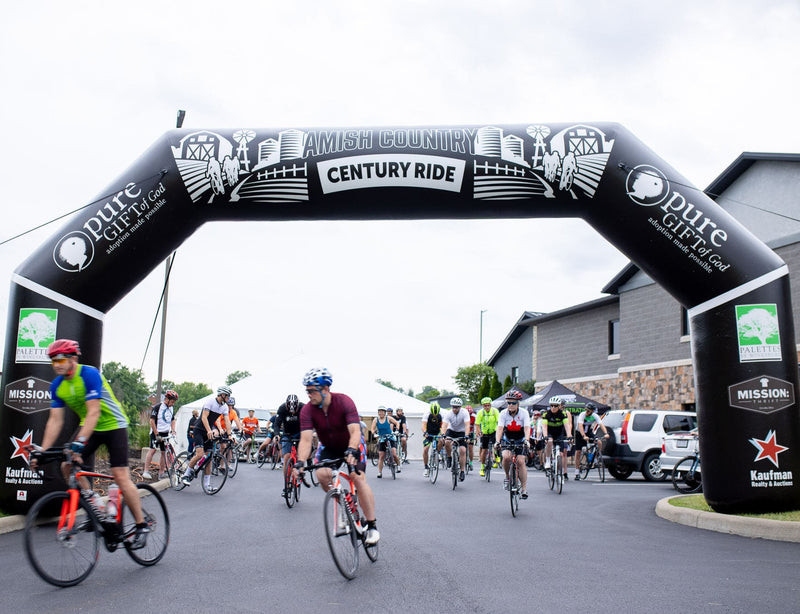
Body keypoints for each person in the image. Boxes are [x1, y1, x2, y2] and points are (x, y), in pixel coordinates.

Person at [32, 339, 149, 549]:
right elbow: (55, 420)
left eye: (60, 359)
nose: (56, 364)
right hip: (91, 426)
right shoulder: (58, 385)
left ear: (73, 358)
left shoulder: (89, 374)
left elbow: (94, 412)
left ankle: (142, 525)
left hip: (114, 425)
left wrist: (79, 443)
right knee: (67, 466)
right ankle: (95, 507)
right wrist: (43, 450)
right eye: (53, 361)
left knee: (120, 476)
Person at [294, 368, 379, 545]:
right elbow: (306, 440)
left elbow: (356, 430)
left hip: (351, 443)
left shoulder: (344, 401)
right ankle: (346, 502)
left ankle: (371, 525)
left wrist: (351, 449)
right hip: (329, 446)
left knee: (357, 477)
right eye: (306, 391)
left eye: (311, 390)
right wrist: (300, 462)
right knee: (322, 475)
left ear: (325, 389)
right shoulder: (307, 410)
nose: (308, 394)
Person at [182, 386, 232, 488]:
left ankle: (207, 485)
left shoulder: (224, 407)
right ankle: (186, 475)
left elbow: (227, 421)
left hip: (208, 432)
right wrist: (209, 430)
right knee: (200, 454)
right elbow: (204, 417)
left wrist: (230, 435)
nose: (228, 398)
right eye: (227, 396)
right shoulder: (210, 402)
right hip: (199, 429)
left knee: (209, 458)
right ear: (222, 394)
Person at [496, 390, 532, 498]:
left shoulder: (524, 413)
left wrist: (527, 440)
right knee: (506, 457)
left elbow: (526, 428)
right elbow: (500, 428)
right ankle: (508, 477)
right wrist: (497, 442)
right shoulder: (503, 413)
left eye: (513, 403)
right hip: (507, 438)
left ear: (518, 403)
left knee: (521, 461)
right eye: (508, 403)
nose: (510, 405)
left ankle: (524, 489)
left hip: (520, 439)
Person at [143, 390, 178, 480]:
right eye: (172, 402)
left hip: (165, 433)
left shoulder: (171, 408)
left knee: (164, 452)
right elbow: (152, 421)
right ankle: (146, 471)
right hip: (156, 432)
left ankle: (161, 473)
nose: (173, 404)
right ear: (167, 399)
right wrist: (156, 434)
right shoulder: (158, 407)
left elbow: (172, 420)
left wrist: (173, 430)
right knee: (152, 450)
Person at [273, 394, 304, 495]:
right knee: (286, 458)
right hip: (287, 434)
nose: (292, 413)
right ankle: (286, 485)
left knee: (299, 456)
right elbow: (277, 424)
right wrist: (277, 435)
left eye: (294, 411)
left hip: (300, 433)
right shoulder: (282, 408)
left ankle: (299, 472)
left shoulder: (303, 407)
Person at [573, 402, 610, 480]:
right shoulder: (582, 415)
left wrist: (606, 433)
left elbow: (601, 424)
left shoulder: (594, 416)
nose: (587, 412)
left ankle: (595, 458)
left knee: (599, 442)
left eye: (588, 411)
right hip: (580, 433)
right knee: (578, 451)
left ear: (592, 411)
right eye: (586, 410)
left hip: (589, 432)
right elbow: (580, 426)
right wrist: (583, 436)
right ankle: (577, 471)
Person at [542, 396, 572, 481]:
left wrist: (569, 436)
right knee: (550, 441)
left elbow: (567, 426)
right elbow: (544, 427)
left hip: (559, 433)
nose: (553, 408)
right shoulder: (546, 414)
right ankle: (548, 460)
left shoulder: (563, 414)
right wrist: (545, 436)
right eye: (551, 405)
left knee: (561, 454)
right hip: (550, 432)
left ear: (559, 406)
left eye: (555, 406)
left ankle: (560, 472)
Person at [442, 397, 470, 482]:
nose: (454, 409)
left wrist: (466, 435)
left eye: (456, 407)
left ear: (460, 407)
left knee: (462, 450)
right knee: (447, 441)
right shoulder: (448, 413)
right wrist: (443, 434)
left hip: (462, 432)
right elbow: (445, 425)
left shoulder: (465, 412)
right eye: (453, 407)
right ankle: (449, 457)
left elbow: (467, 425)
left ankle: (462, 471)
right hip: (452, 430)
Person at [370, 406, 401, 478]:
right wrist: (374, 434)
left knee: (394, 454)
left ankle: (398, 465)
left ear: (385, 413)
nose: (381, 413)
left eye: (382, 412)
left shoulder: (388, 418)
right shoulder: (376, 419)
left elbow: (397, 423)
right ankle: (380, 472)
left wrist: (397, 430)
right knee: (381, 456)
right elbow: (372, 429)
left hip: (390, 437)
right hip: (382, 438)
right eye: (379, 412)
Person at [475, 396, 499, 477]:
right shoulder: (480, 413)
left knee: (496, 446)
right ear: (483, 406)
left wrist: (499, 432)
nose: (487, 407)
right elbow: (477, 424)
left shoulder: (495, 411)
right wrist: (479, 432)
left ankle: (496, 456)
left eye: (488, 405)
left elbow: (499, 422)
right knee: (484, 451)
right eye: (485, 406)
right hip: (484, 433)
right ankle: (482, 468)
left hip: (494, 431)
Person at [421, 402, 444, 478]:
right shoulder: (426, 414)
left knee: (441, 441)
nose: (435, 415)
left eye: (436, 414)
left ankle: (438, 453)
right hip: (429, 433)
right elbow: (423, 425)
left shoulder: (442, 415)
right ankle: (426, 467)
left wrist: (442, 433)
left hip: (437, 432)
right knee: (425, 449)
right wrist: (425, 432)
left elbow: (444, 425)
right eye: (433, 414)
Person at [465, 404, 477, 471]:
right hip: (464, 432)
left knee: (470, 448)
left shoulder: (474, 417)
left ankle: (471, 462)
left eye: (470, 414)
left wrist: (475, 435)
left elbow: (476, 426)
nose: (468, 416)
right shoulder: (463, 416)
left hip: (471, 433)